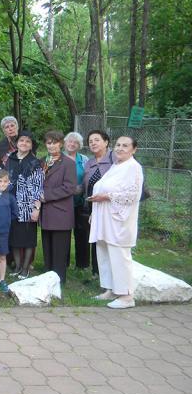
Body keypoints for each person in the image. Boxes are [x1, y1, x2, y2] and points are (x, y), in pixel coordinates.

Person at [89, 136, 143, 309]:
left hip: (119, 220)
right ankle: (111, 289)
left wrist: (106, 196)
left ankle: (126, 295)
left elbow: (132, 195)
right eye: (118, 145)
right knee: (104, 252)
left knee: (119, 255)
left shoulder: (133, 167)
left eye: (125, 145)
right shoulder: (116, 165)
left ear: (133, 149)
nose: (120, 148)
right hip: (104, 217)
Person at [39, 130, 76, 284]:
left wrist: (46, 195)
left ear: (61, 144)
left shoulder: (68, 163)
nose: (52, 145)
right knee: (47, 247)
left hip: (60, 212)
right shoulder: (42, 161)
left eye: (55, 142)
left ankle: (59, 280)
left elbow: (69, 187)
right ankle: (48, 278)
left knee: (60, 249)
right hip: (45, 212)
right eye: (49, 142)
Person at [5, 131, 44, 279]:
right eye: (22, 140)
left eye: (28, 141)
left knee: (28, 239)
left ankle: (26, 268)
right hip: (11, 204)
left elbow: (38, 186)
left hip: (28, 205)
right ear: (17, 142)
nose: (24, 144)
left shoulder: (35, 162)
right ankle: (18, 266)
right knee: (14, 239)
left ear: (31, 145)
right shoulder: (10, 159)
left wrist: (36, 208)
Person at [83, 129, 115, 278]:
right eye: (90, 141)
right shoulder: (89, 163)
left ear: (106, 142)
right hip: (93, 206)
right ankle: (97, 272)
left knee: (108, 239)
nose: (93, 143)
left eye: (96, 140)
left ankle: (112, 272)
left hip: (110, 206)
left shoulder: (114, 159)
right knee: (95, 238)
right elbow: (84, 186)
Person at [64, 132, 89, 269]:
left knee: (82, 232)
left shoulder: (84, 159)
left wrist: (82, 188)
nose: (72, 144)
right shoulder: (59, 157)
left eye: (75, 143)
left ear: (79, 146)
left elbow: (88, 177)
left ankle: (83, 264)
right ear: (65, 143)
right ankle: (64, 262)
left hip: (80, 201)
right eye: (70, 141)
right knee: (64, 233)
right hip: (63, 202)